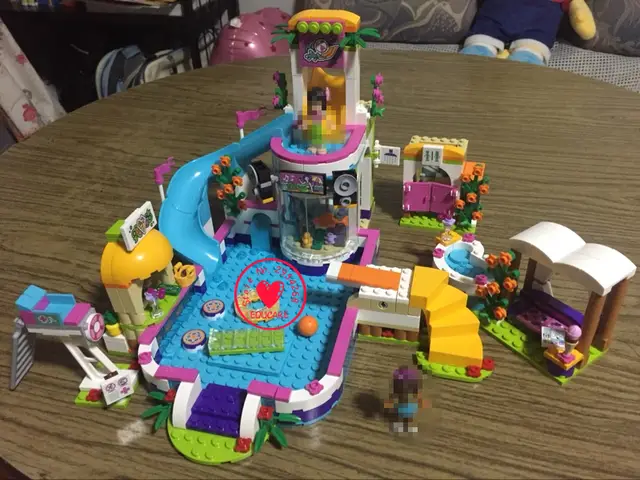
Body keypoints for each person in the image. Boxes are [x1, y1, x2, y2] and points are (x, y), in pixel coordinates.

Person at [384, 366, 430, 433]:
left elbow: (395, 392)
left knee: (404, 406)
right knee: (404, 406)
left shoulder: (406, 381)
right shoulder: (409, 381)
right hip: (404, 391)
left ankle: (404, 423)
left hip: (404, 390)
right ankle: (404, 423)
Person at [297, 87, 334, 154]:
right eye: (313, 104)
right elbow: (303, 126)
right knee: (311, 150)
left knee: (322, 151)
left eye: (318, 105)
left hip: (322, 143)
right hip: (312, 142)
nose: (315, 108)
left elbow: (330, 127)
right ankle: (312, 150)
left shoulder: (325, 115)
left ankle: (320, 150)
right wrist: (302, 123)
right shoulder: (309, 115)